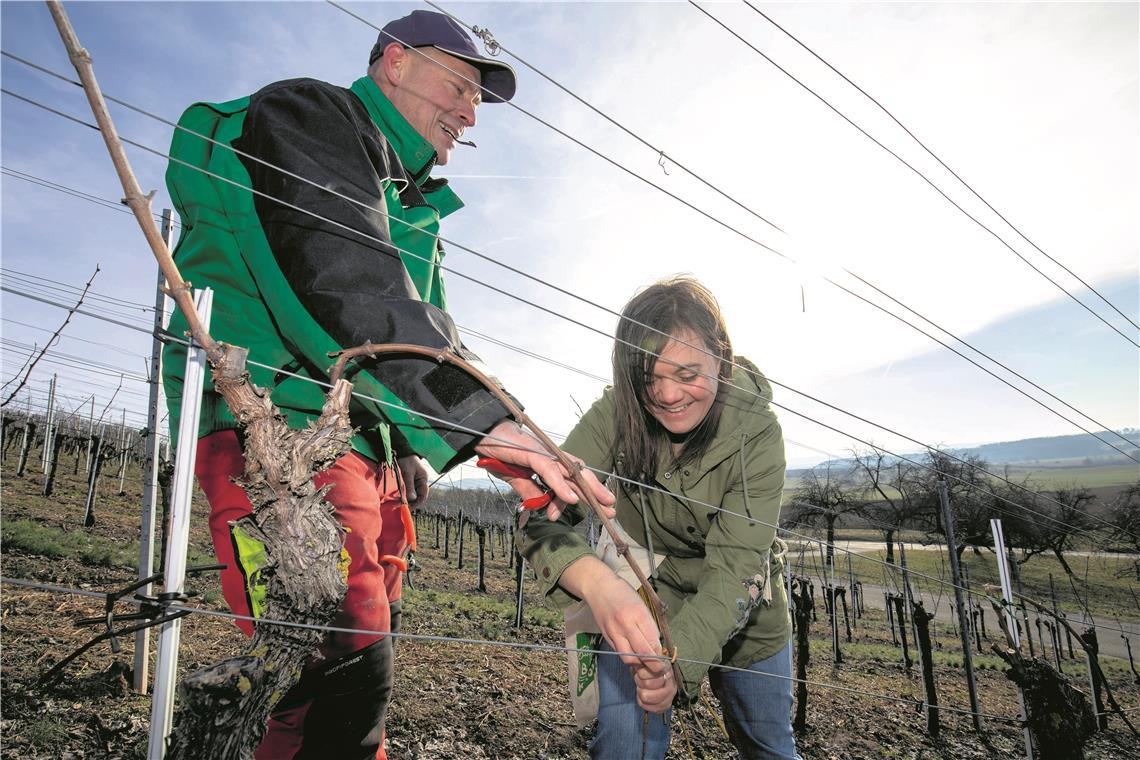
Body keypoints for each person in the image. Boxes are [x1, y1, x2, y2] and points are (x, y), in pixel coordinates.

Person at [161, 10, 612, 760]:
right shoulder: (304, 115)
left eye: (477, 100)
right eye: (461, 85)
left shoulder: (413, 204)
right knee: (334, 667)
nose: (471, 114)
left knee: (362, 661)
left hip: (366, 444)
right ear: (395, 62)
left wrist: (414, 443)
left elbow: (427, 328)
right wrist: (484, 425)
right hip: (280, 431)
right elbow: (347, 281)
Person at [517, 277, 801, 759]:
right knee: (625, 747)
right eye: (649, 378)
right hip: (641, 598)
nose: (667, 395)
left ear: (722, 358)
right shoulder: (617, 412)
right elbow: (541, 516)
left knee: (768, 747)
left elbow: (736, 566)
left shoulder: (758, 432)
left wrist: (677, 664)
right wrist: (600, 587)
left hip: (747, 608)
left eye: (688, 374)